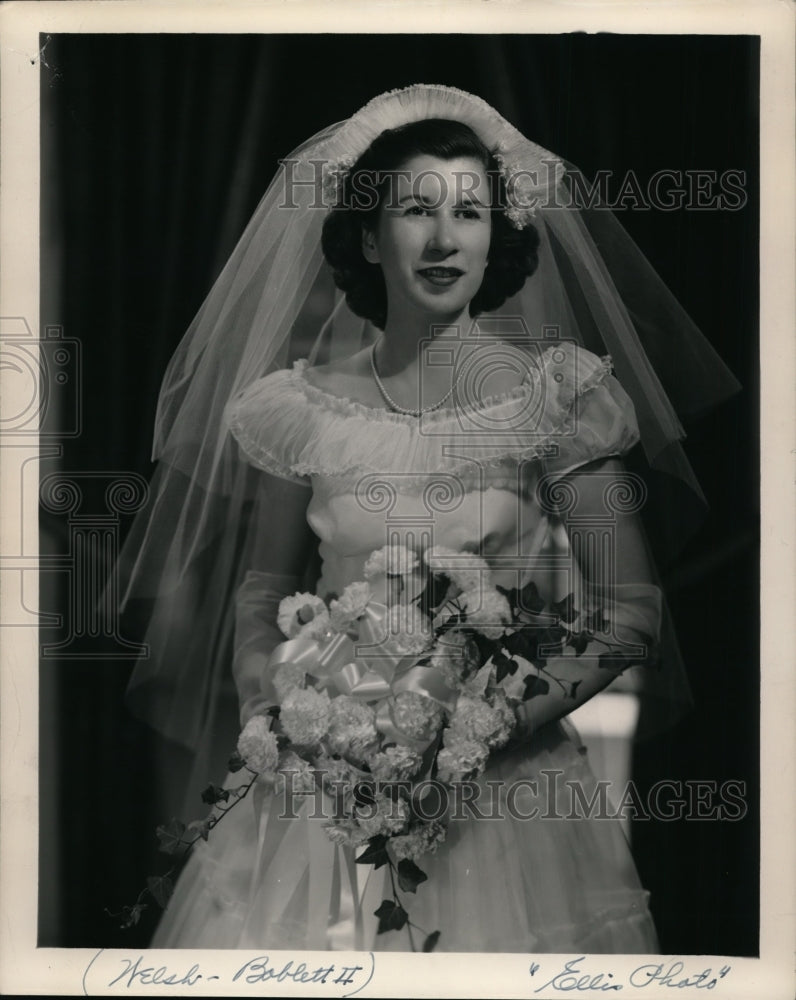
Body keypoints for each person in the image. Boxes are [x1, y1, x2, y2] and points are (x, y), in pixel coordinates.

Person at [119, 85, 739, 952]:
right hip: (320, 794)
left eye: (471, 213)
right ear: (369, 237)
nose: (446, 239)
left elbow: (629, 615)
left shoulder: (555, 398)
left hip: (504, 800)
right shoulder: (300, 408)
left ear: (500, 236)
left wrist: (487, 724)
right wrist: (291, 704)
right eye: (417, 210)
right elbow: (263, 594)